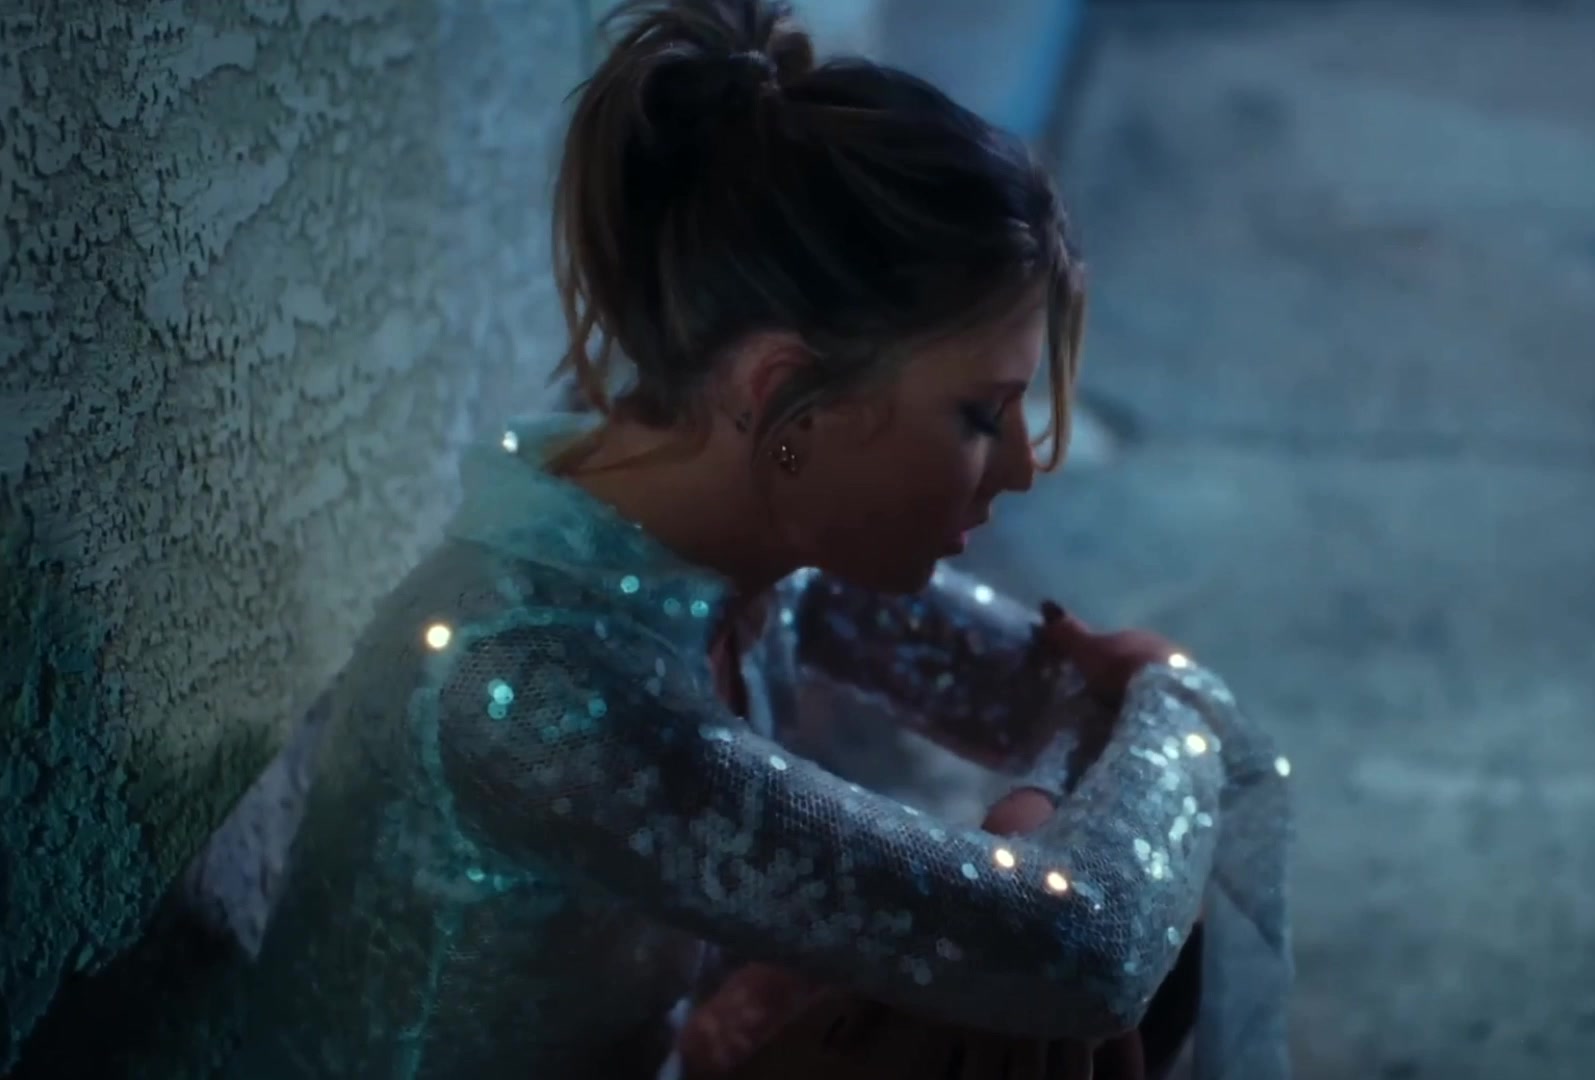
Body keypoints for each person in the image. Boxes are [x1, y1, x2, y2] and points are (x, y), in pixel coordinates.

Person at [204, 1, 1293, 1077]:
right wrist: (1169, 692)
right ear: (786, 398)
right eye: (979, 415)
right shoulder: (532, 687)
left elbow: (1052, 698)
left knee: (1086, 959)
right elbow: (1087, 942)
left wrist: (1050, 798)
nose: (1021, 467)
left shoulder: (735, 530)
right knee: (1032, 1004)